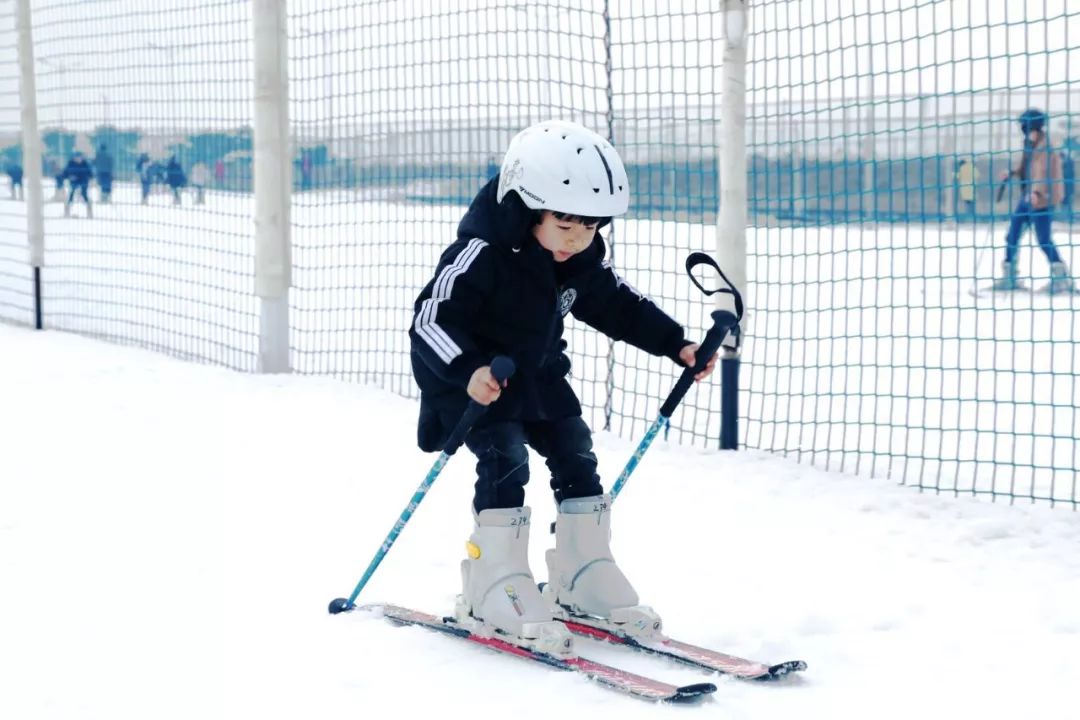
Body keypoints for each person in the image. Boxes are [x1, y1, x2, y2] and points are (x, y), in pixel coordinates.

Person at [408, 120, 718, 654]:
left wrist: (677, 344)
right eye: (566, 222)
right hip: (479, 382)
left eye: (592, 226)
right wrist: (469, 371)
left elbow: (619, 305)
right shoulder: (480, 254)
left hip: (540, 378)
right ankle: (494, 581)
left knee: (576, 452)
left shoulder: (576, 258)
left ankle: (582, 572)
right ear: (524, 207)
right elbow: (429, 320)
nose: (578, 237)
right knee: (506, 459)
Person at [993, 109, 1075, 294]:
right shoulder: (1029, 145)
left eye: (1025, 125)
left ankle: (1061, 279)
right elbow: (1025, 168)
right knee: (1012, 235)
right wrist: (1011, 172)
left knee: (1044, 239)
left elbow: (1043, 173)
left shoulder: (1046, 148)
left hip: (1042, 199)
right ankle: (1009, 276)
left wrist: (1037, 192)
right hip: (1027, 197)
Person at [61, 151, 94, 218]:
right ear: (74, 158)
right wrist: (69, 176)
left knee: (84, 195)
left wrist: (89, 177)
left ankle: (89, 213)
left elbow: (90, 173)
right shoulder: (70, 164)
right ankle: (67, 212)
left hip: (83, 182)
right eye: (77, 158)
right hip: (74, 182)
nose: (78, 159)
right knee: (71, 195)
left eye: (79, 157)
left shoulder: (85, 164)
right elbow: (65, 173)